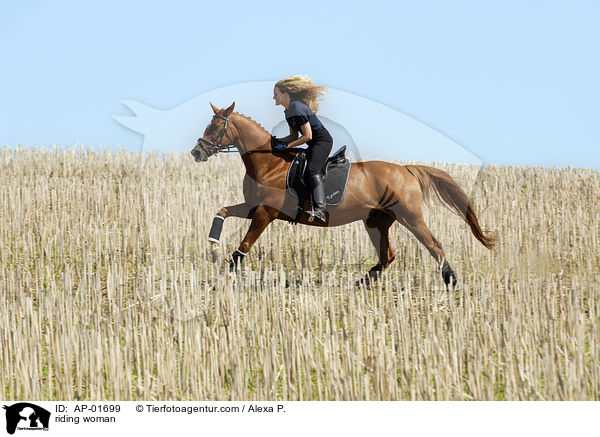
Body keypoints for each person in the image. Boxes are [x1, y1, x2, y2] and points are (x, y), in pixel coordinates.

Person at [272, 75, 333, 223]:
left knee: (312, 170)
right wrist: (275, 141)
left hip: (322, 142)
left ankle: (320, 210)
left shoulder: (297, 108)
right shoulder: (288, 112)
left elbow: (308, 136)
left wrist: (287, 146)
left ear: (285, 94)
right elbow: (293, 136)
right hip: (313, 143)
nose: (274, 98)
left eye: (276, 94)